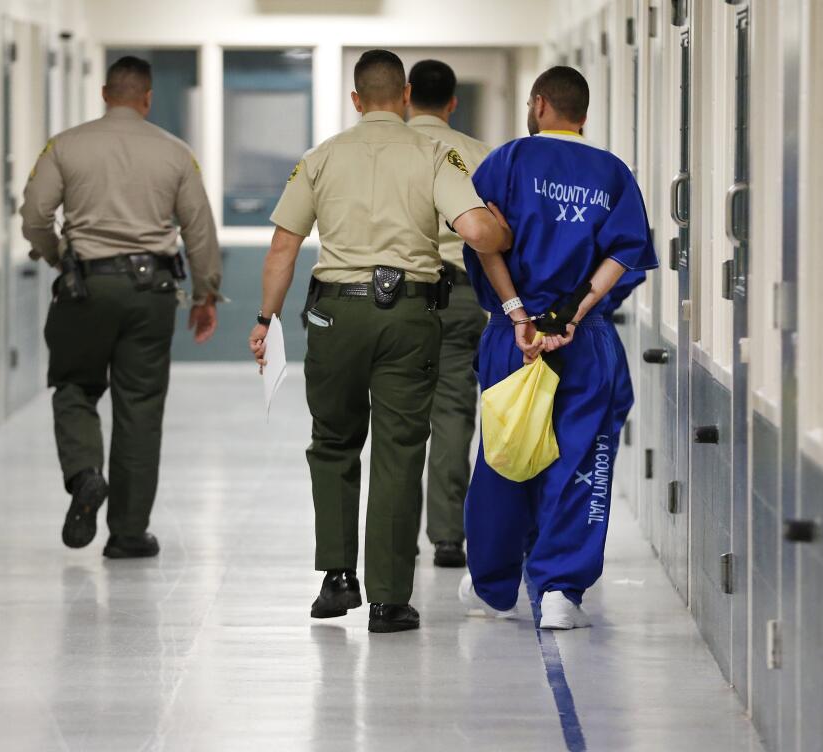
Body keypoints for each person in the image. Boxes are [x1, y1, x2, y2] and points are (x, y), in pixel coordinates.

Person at [248, 50, 512, 633]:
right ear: (405, 94)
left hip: (334, 318)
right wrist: (502, 226)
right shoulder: (433, 154)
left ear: (355, 99)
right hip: (409, 315)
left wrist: (266, 319)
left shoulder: (319, 158)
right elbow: (475, 230)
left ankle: (337, 577)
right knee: (398, 449)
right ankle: (389, 599)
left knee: (333, 441)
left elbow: (282, 249)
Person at [458, 66, 658, 629]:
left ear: (540, 104)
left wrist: (519, 311)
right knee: (582, 458)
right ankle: (559, 594)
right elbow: (624, 252)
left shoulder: (507, 162)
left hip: (511, 332)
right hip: (585, 337)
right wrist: (570, 314)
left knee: (504, 455)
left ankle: (493, 585)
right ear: (583, 115)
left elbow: (481, 238)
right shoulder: (611, 172)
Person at [20, 55, 222, 559]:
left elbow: (35, 214)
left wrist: (56, 256)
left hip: (85, 289)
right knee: (140, 409)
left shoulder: (65, 146)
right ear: (147, 97)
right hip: (151, 293)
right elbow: (199, 230)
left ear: (106, 93)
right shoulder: (176, 154)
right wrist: (205, 295)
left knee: (73, 385)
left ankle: (86, 473)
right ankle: (129, 533)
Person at [406, 59, 493, 570]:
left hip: (399, 298)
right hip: (463, 296)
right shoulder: (479, 156)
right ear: (453, 102)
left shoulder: (386, 155)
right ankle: (446, 536)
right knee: (454, 412)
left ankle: (394, 533)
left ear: (405, 96)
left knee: (397, 416)